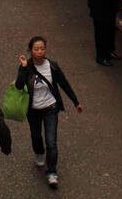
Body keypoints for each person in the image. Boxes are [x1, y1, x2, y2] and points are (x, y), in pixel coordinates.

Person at [15, 36, 82, 188]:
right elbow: (19, 86)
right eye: (36, 49)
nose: (39, 52)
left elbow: (64, 83)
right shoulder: (26, 66)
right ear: (30, 50)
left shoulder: (52, 66)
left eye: (42, 49)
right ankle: (39, 152)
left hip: (51, 108)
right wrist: (24, 68)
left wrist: (75, 101)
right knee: (36, 135)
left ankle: (52, 172)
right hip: (33, 110)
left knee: (51, 142)